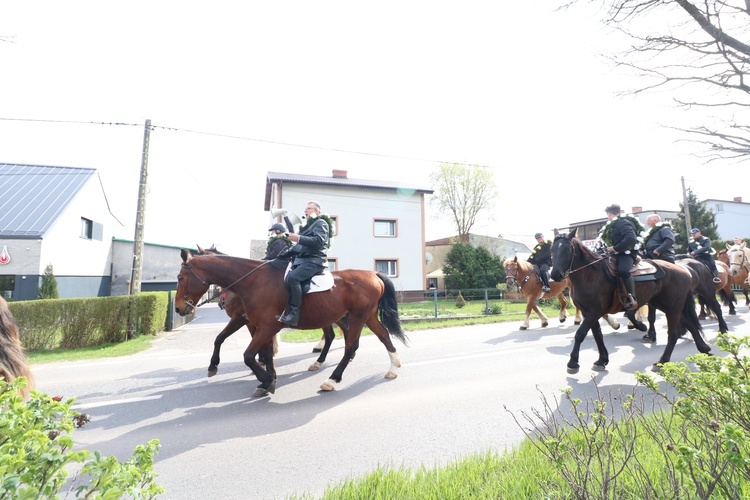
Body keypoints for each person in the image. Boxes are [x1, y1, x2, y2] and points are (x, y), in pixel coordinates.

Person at [275, 201, 330, 327]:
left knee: (293, 278)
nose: (306, 210)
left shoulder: (320, 223)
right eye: (305, 208)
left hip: (314, 261)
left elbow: (319, 241)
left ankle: (294, 315)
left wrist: (298, 238)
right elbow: (297, 248)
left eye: (309, 208)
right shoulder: (307, 228)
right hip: (303, 261)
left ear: (316, 210)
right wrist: (279, 257)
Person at [602, 204, 639, 310]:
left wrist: (616, 248)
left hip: (626, 254)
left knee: (623, 271)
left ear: (609, 214)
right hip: (614, 253)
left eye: (608, 215)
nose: (608, 217)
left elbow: (631, 238)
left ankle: (632, 297)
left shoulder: (623, 223)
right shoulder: (613, 225)